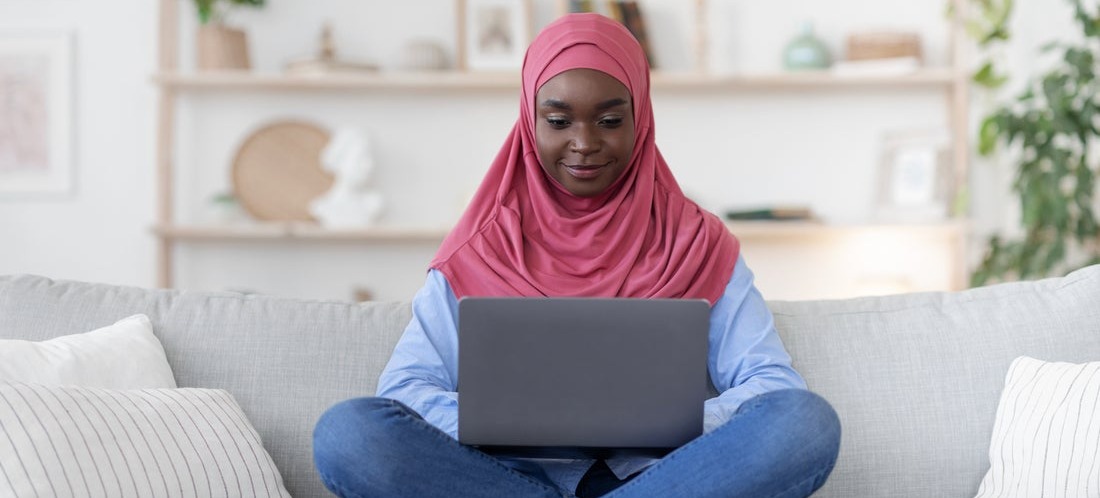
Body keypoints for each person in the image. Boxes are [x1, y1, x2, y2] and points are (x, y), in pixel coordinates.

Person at [313, 13, 841, 498]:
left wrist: (663, 420)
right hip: (503, 480)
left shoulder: (697, 242)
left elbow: (772, 385)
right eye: (559, 120)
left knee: (804, 424)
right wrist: (508, 420)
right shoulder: (484, 246)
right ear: (529, 122)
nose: (584, 142)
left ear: (641, 119)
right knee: (348, 434)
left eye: (609, 121)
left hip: (658, 479)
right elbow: (403, 390)